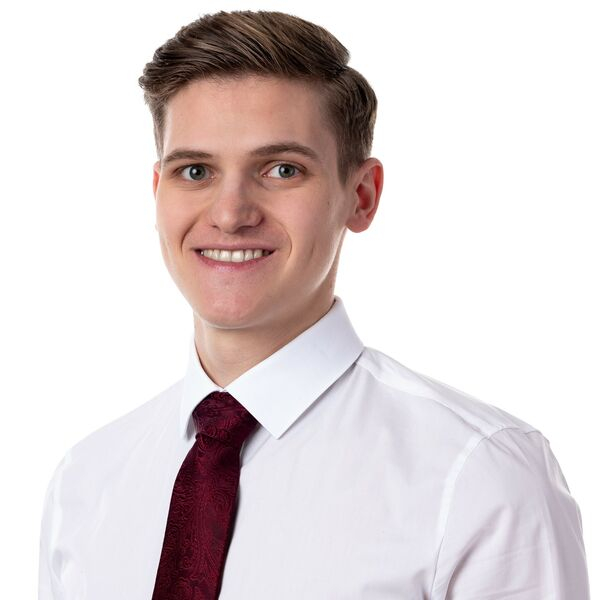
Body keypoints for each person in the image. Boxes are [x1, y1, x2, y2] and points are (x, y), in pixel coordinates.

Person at [37, 9, 590, 600]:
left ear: (362, 196)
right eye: (195, 171)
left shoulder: (479, 477)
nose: (230, 213)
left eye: (282, 170)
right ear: (158, 193)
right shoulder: (86, 485)